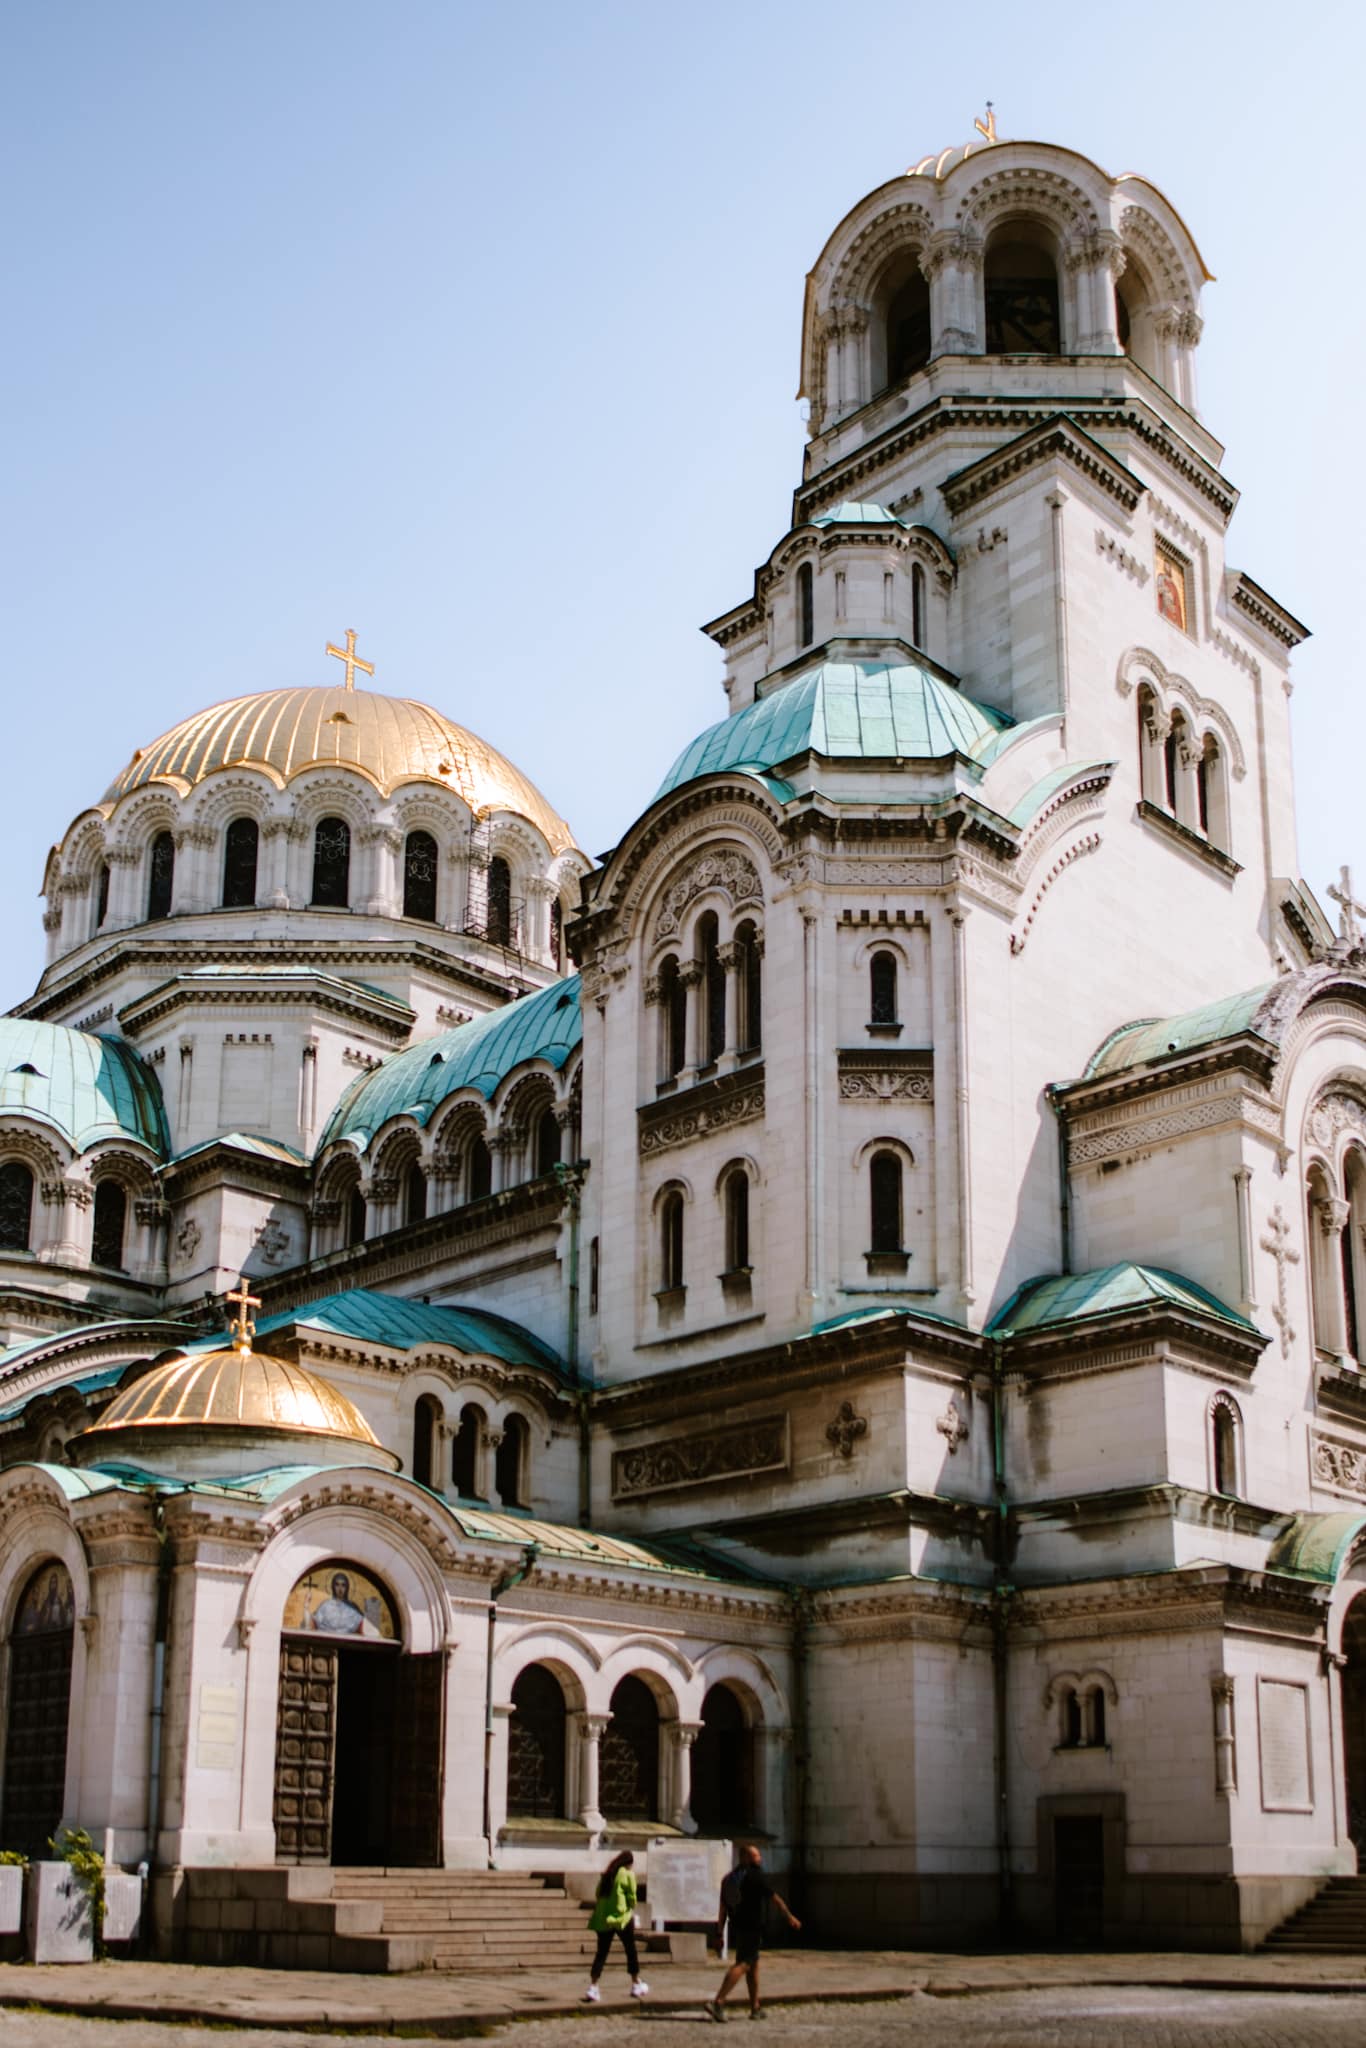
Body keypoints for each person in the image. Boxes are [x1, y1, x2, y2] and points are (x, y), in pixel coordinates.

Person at [705, 1842, 800, 2021]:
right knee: (744, 1964)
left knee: (753, 1965)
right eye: (756, 1856)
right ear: (746, 1858)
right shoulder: (756, 1876)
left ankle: (755, 2007)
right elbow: (775, 1898)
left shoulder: (729, 1878)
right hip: (753, 1927)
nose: (760, 1859)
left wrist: (719, 1933)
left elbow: (723, 1909)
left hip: (739, 1928)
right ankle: (718, 2002)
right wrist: (789, 1917)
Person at [584, 1849, 649, 2003]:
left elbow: (598, 1893)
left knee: (601, 1952)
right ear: (629, 1864)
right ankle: (635, 1982)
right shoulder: (627, 1875)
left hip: (603, 1919)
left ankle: (593, 1986)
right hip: (621, 1918)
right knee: (630, 1950)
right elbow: (632, 1898)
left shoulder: (607, 1875)